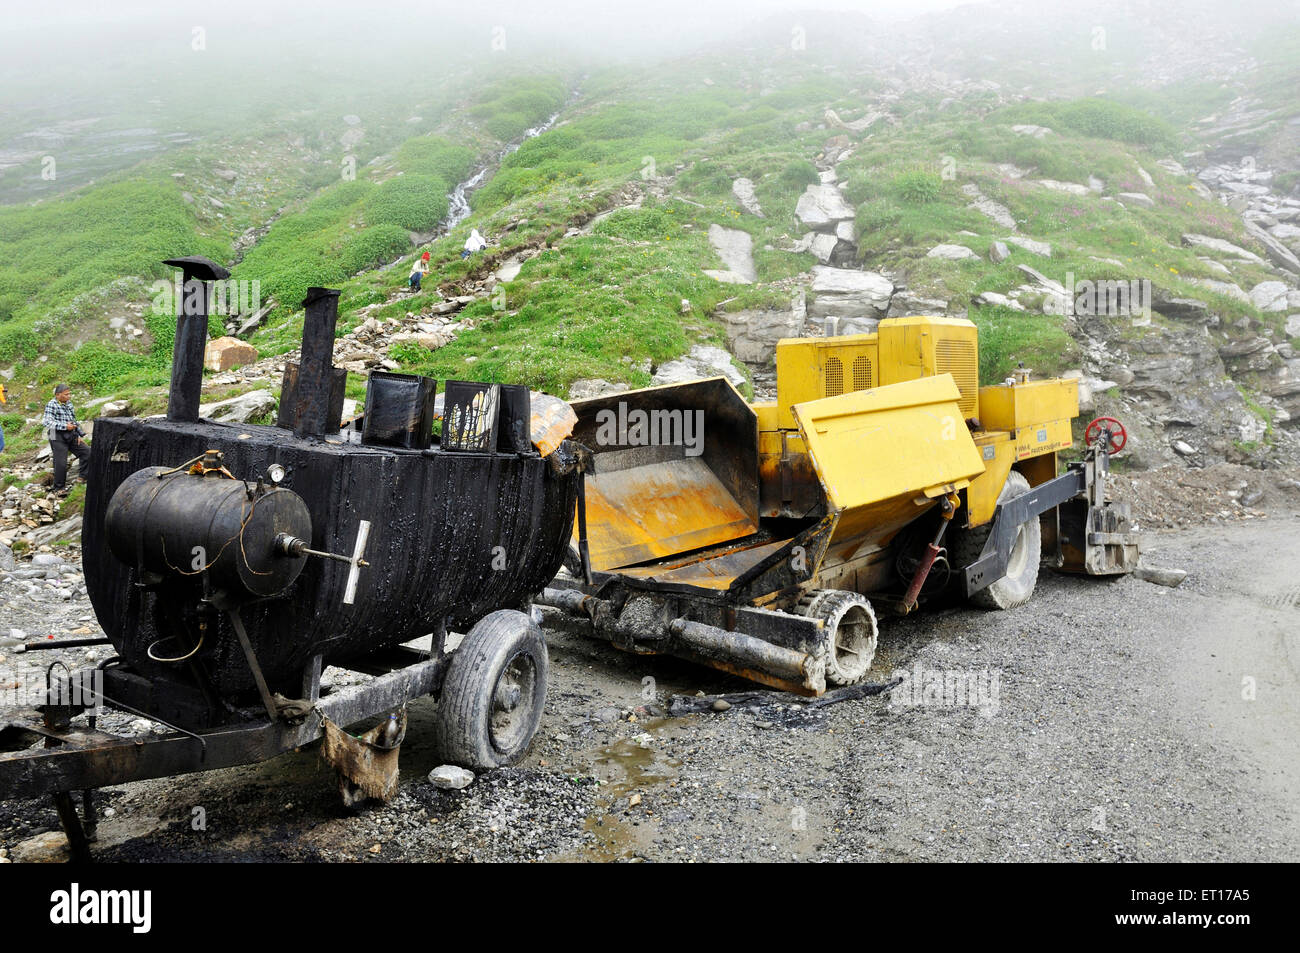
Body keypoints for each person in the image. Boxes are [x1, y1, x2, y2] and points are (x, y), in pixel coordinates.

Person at [42, 383, 91, 494]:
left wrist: (79, 434)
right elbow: (47, 422)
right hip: (56, 435)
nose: (69, 396)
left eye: (69, 394)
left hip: (71, 434)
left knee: (87, 452)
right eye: (66, 394)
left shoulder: (69, 404)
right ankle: (59, 488)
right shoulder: (52, 404)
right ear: (58, 395)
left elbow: (73, 419)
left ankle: (82, 477)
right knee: (60, 462)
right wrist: (65, 426)